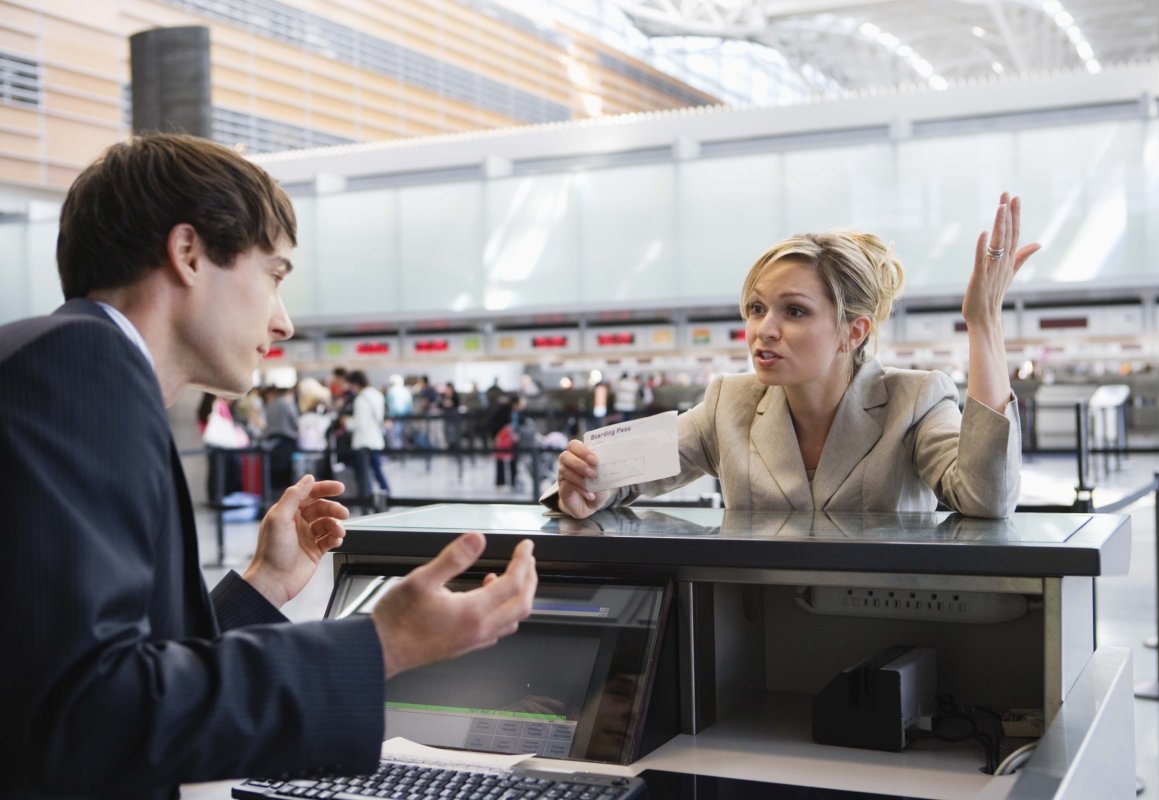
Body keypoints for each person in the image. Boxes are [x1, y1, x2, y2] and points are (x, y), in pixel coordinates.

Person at [0, 133, 537, 798]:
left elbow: (103, 670)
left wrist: (264, 585)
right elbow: (85, 717)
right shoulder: (81, 374)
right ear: (189, 253)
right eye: (274, 275)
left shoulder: (80, 369)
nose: (282, 322)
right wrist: (384, 644)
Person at [550, 194, 1037, 519]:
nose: (764, 329)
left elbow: (985, 498)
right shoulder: (728, 402)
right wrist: (588, 488)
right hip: (750, 635)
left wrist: (983, 322)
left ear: (853, 331)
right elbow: (612, 474)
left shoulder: (916, 400)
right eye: (756, 308)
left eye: (795, 311)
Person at [346, 369, 391, 502]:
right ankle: (387, 496)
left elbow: (360, 423)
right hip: (376, 439)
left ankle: (366, 502)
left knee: (364, 476)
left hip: (363, 441)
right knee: (377, 471)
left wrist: (346, 421)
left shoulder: (361, 399)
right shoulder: (377, 394)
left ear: (355, 383)